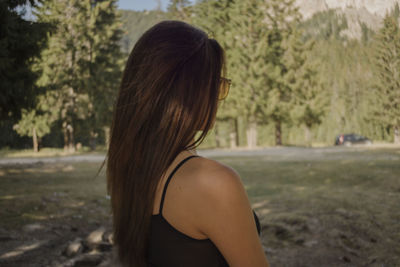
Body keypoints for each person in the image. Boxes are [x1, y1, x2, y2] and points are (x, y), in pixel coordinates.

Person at [105, 20, 269, 267]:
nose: (219, 96)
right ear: (188, 90)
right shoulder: (213, 182)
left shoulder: (128, 172)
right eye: (217, 85)